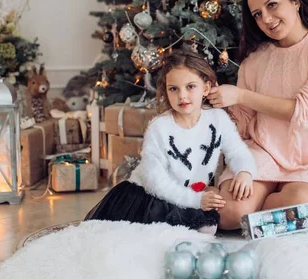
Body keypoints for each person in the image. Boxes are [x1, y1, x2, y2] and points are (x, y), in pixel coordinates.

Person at [207, 0, 308, 230]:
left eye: (272, 5)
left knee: (296, 208)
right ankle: (253, 207)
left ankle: (264, 205)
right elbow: (244, 125)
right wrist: (214, 104)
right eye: (257, 14)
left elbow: (306, 112)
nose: (266, 19)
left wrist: (241, 95)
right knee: (230, 215)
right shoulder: (255, 60)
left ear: (295, 1)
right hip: (261, 154)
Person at [85, 51, 257, 235]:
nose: (182, 96)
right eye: (173, 89)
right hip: (150, 196)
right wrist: (195, 200)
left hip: (187, 193)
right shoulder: (160, 128)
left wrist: (244, 172)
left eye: (190, 86)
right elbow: (155, 182)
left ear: (206, 88)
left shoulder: (217, 119)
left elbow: (237, 151)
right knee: (158, 235)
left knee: (208, 228)